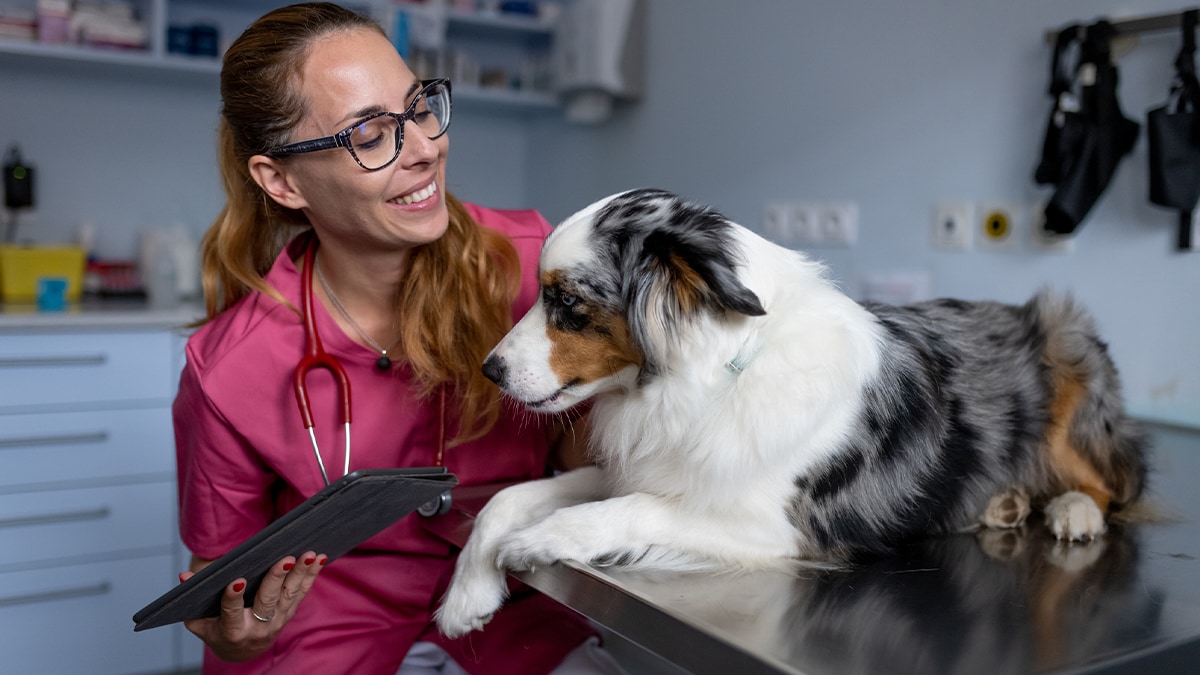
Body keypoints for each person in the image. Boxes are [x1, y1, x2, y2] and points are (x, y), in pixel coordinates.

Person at [172, 4, 621, 673]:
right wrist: (240, 631)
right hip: (326, 622)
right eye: (370, 133)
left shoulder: (532, 266)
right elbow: (223, 581)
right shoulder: (232, 366)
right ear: (281, 180)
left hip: (507, 596)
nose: (424, 149)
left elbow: (601, 457)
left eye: (419, 108)